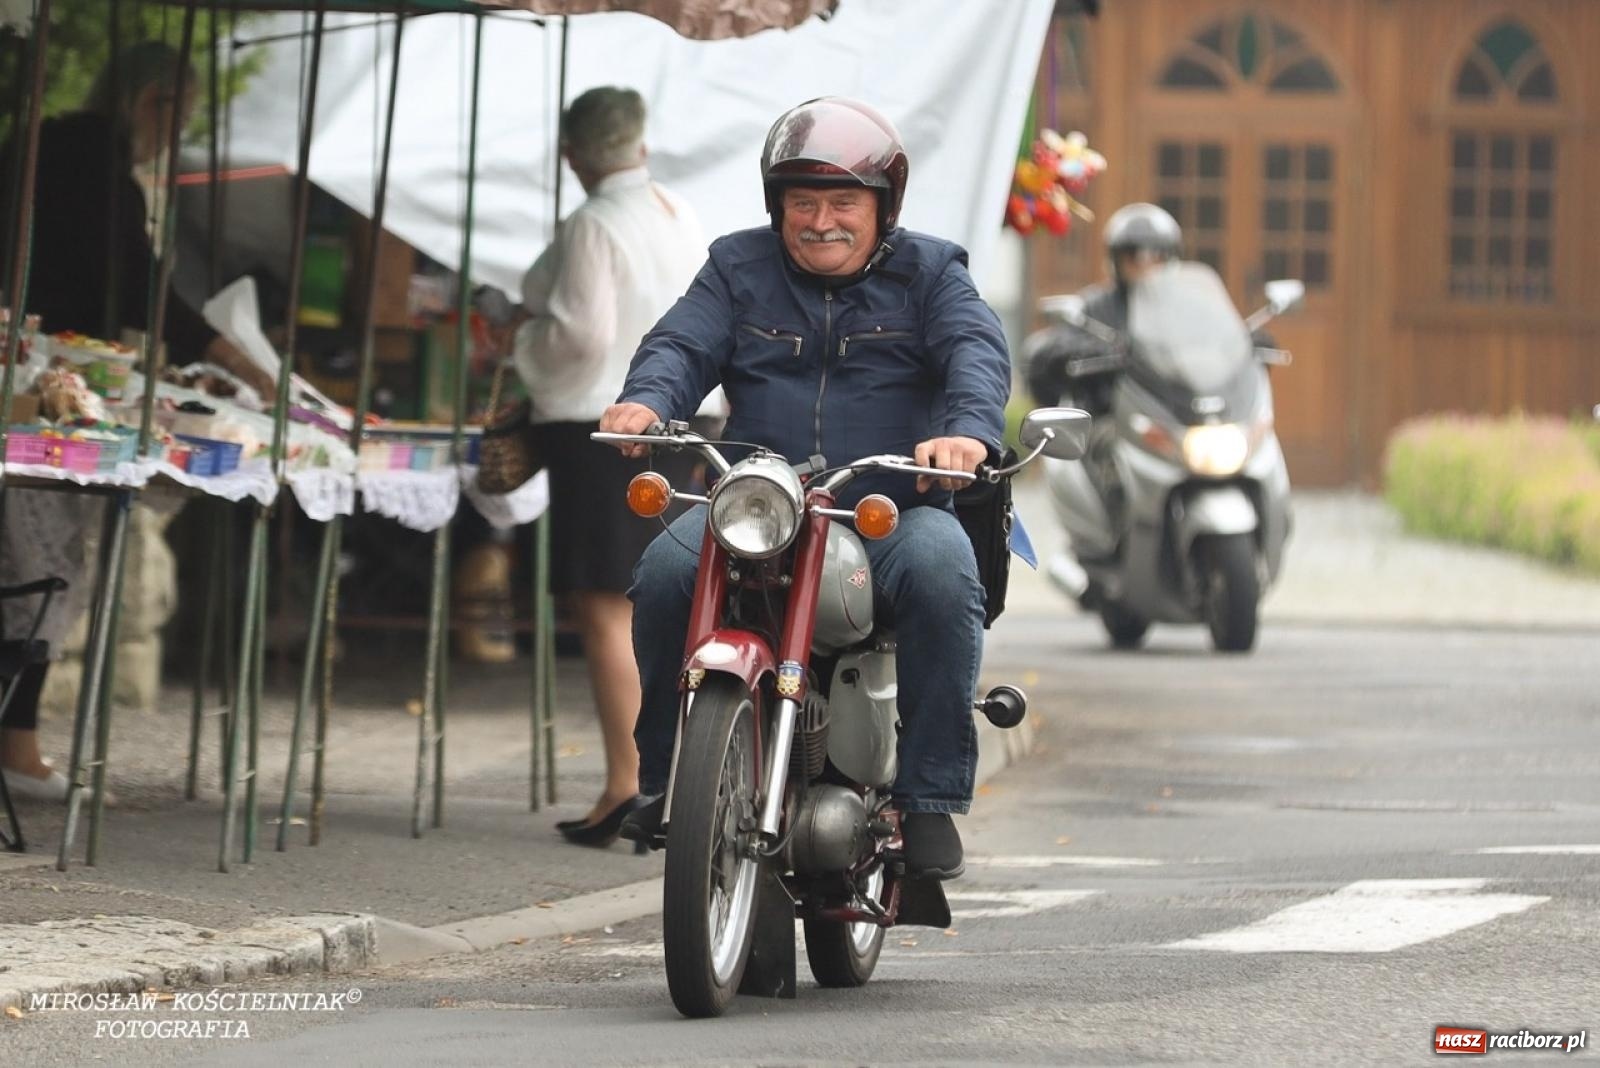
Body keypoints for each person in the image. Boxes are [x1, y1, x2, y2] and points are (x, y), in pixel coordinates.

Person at [598, 97, 1011, 880]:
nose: (822, 220)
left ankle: (928, 799)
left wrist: (966, 432)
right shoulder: (736, 266)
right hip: (762, 502)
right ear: (777, 206)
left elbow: (975, 353)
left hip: (890, 506)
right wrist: (648, 400)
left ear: (881, 209)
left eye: (844, 202)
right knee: (662, 574)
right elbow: (681, 343)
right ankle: (663, 782)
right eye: (803, 202)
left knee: (942, 573)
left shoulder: (932, 272)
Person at [0, 43, 273, 801]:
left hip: (36, 357)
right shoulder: (93, 164)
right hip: (38, 374)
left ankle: (16, 741)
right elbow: (148, 287)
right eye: (177, 115)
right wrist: (248, 365)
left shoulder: (45, 146)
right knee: (43, 569)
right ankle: (16, 744)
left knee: (33, 565)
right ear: (149, 100)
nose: (173, 133)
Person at [501, 87, 711, 847]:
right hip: (689, 425)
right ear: (642, 147)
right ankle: (677, 774)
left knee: (606, 609)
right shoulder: (674, 211)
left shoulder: (593, 222)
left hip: (608, 426)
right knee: (673, 603)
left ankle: (632, 782)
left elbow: (583, 338)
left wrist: (522, 351)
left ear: (572, 155)